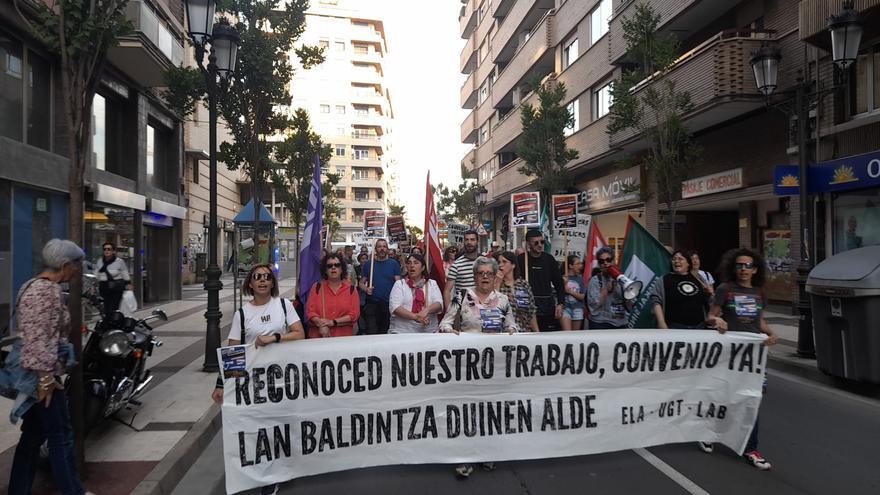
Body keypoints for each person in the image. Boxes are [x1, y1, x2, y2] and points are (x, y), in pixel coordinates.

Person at [6, 239, 94, 495]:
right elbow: (38, 340)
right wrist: (46, 381)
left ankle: (18, 490)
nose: (78, 270)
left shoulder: (30, 285)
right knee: (61, 436)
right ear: (65, 265)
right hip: (41, 376)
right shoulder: (47, 292)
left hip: (35, 373)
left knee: (32, 436)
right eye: (76, 265)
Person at [211, 263, 304, 495]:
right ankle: (264, 474)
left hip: (281, 378)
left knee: (279, 425)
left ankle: (277, 470)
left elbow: (299, 333)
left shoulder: (283, 306)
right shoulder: (242, 314)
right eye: (257, 277)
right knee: (258, 427)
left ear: (272, 283)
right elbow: (233, 351)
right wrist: (222, 384)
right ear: (250, 283)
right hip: (254, 382)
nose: (263, 280)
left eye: (267, 277)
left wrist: (275, 338)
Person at [701, 247, 779, 470]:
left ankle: (750, 448)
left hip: (753, 356)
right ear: (733, 268)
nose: (743, 269)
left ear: (755, 270)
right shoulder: (725, 289)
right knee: (726, 396)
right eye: (739, 265)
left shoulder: (759, 292)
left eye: (748, 266)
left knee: (752, 399)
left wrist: (771, 334)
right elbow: (710, 316)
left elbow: (759, 321)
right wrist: (717, 321)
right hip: (730, 354)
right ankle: (709, 432)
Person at [438, 256, 516, 479]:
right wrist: (449, 331)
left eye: (489, 273)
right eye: (480, 273)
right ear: (474, 276)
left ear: (494, 276)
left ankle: (487, 452)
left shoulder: (502, 300)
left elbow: (511, 325)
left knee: (490, 410)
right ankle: (465, 457)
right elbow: (445, 322)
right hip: (467, 365)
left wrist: (511, 331)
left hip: (493, 366)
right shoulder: (462, 296)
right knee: (467, 410)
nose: (485, 277)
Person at [652, 250, 725, 330]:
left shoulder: (699, 279)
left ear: (688, 263)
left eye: (680, 259)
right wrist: (661, 323)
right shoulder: (664, 280)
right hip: (674, 327)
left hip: (698, 327)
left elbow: (709, 301)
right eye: (674, 259)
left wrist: (710, 294)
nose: (676, 261)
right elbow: (656, 302)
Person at [516, 229, 565, 332]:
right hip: (528, 306)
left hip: (547, 305)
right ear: (528, 244)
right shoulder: (521, 260)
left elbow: (558, 283)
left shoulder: (549, 259)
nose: (540, 245)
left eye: (542, 242)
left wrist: (560, 303)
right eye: (536, 243)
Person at [305, 253, 361, 338]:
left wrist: (333, 322)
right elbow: (310, 312)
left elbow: (354, 315)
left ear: (342, 269)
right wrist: (321, 324)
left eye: (337, 265)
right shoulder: (317, 287)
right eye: (329, 266)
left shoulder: (351, 289)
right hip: (319, 337)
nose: (333, 268)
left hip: (343, 338)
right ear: (325, 270)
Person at [388, 254, 443, 333]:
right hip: (402, 331)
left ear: (423, 268)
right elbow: (395, 307)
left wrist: (426, 310)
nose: (412, 265)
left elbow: (439, 303)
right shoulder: (400, 284)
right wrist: (416, 317)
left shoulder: (431, 283)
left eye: (416, 263)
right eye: (409, 263)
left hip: (429, 332)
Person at [359, 239, 401, 334]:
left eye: (384, 246)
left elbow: (398, 284)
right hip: (372, 304)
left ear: (387, 249)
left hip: (388, 304)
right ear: (375, 249)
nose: (382, 248)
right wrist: (366, 289)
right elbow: (360, 283)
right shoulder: (368, 264)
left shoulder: (394, 264)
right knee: (372, 332)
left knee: (385, 333)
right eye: (379, 246)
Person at [586, 247, 630, 329]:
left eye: (608, 260)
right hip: (601, 323)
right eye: (601, 261)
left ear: (613, 261)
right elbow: (594, 304)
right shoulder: (595, 280)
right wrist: (606, 290)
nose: (605, 263)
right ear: (599, 264)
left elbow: (629, 305)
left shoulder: (622, 279)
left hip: (621, 322)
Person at [495, 251, 539, 332]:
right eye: (499, 262)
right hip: (505, 332)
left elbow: (531, 311)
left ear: (513, 265)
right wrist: (497, 283)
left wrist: (537, 332)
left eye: (504, 262)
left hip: (523, 330)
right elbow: (493, 307)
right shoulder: (496, 284)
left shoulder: (523, 284)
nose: (500, 265)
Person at [443, 230, 481, 308]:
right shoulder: (456, 265)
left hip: (483, 309)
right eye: (467, 240)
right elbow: (447, 291)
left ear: (477, 242)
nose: (469, 242)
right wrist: (449, 311)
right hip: (463, 310)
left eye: (472, 239)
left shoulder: (485, 262)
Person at [94, 242, 131, 315]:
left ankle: (113, 320)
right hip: (104, 287)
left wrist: (128, 283)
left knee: (113, 307)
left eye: (109, 249)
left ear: (113, 251)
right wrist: (94, 284)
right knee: (106, 307)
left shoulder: (119, 261)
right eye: (104, 249)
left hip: (116, 287)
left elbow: (125, 273)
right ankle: (109, 320)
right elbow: (96, 274)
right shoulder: (100, 261)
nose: (106, 251)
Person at [561, 254, 587, 330]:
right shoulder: (562, 278)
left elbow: (582, 296)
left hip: (577, 309)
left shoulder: (580, 279)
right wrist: (563, 284)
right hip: (565, 308)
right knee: (567, 333)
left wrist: (569, 291)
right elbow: (558, 294)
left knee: (575, 334)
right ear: (570, 266)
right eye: (578, 264)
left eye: (581, 263)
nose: (580, 265)